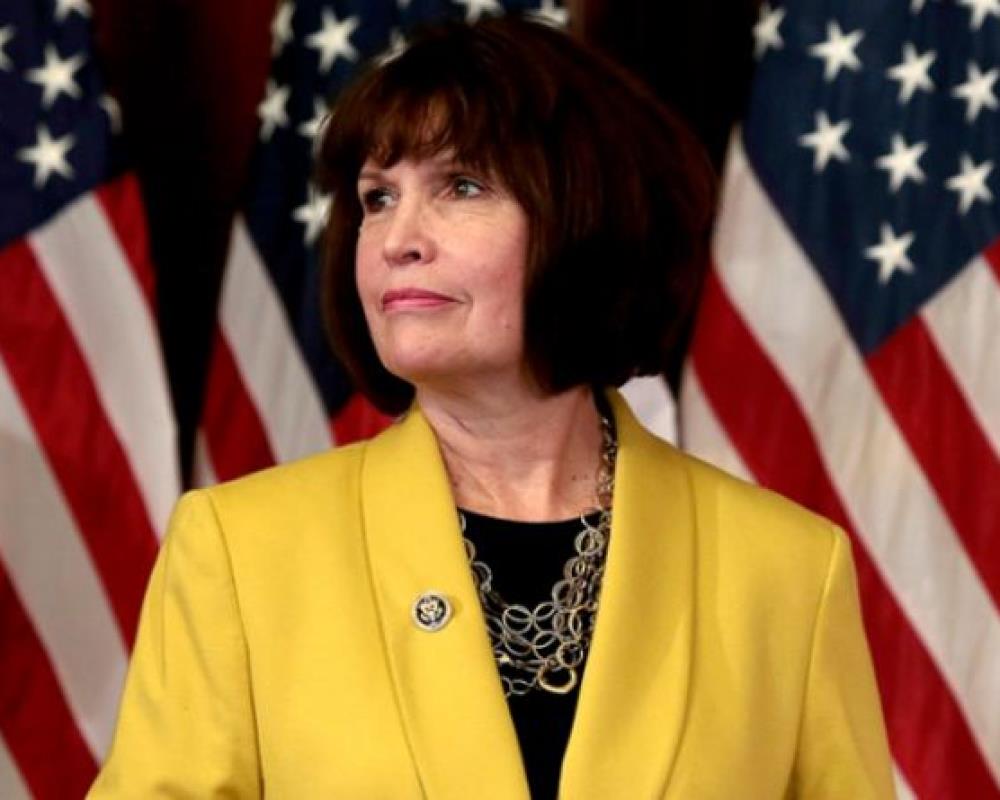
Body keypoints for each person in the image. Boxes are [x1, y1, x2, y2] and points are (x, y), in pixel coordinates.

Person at [89, 15, 895, 799]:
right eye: (377, 198)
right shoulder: (240, 551)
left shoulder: (788, 570)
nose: (397, 238)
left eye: (461, 186)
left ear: (590, 216)